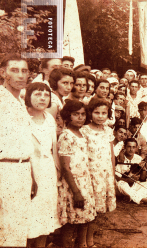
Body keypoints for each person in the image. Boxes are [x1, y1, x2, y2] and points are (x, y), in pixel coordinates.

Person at [0, 54, 36, 247]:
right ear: (3, 73)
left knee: (19, 228)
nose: (21, 75)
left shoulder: (19, 101)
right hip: (3, 172)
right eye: (15, 70)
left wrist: (32, 175)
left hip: (23, 170)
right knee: (4, 230)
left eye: (24, 71)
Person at [25, 83, 61, 246]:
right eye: (38, 94)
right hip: (28, 168)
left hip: (47, 170)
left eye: (46, 95)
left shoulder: (49, 119)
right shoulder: (23, 117)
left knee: (45, 216)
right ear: (28, 96)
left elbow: (53, 148)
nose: (42, 98)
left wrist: (57, 170)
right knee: (28, 214)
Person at [58, 100, 97, 247]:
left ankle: (82, 245)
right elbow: (66, 168)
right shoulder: (66, 136)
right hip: (72, 184)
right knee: (71, 222)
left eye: (82, 114)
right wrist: (76, 191)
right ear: (68, 116)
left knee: (85, 219)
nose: (80, 117)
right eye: (76, 114)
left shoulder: (81, 134)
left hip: (85, 182)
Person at [80, 98, 116, 245]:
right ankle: (81, 242)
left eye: (104, 113)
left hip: (105, 174)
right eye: (96, 113)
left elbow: (111, 154)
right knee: (88, 211)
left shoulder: (108, 130)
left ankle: (90, 240)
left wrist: (112, 174)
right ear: (90, 113)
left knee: (99, 210)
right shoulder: (84, 130)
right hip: (91, 175)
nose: (100, 116)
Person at [47, 67, 74, 135]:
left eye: (71, 83)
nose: (69, 87)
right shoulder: (53, 103)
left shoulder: (60, 99)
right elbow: (48, 130)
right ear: (55, 83)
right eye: (65, 83)